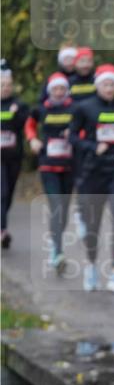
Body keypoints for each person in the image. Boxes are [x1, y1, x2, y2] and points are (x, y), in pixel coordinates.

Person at [69, 64, 114, 293]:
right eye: (105, 84)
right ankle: (90, 265)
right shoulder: (84, 108)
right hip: (93, 173)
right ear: (98, 85)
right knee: (93, 224)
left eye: (113, 84)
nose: (109, 88)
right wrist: (92, 146)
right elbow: (71, 137)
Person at [26, 73, 76, 273]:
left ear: (67, 90)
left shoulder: (74, 108)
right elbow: (29, 125)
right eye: (55, 89)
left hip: (69, 165)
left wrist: (73, 133)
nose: (59, 92)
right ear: (49, 91)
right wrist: (33, 140)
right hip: (48, 165)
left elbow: (84, 128)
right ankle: (57, 252)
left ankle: (56, 243)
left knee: (63, 210)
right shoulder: (41, 109)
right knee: (56, 205)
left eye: (62, 89)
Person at [1, 60, 28, 249]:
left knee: (8, 194)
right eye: (2, 85)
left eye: (8, 85)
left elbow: (24, 126)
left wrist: (16, 115)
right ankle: (2, 230)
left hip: (14, 157)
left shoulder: (19, 105)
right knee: (1, 192)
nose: (5, 89)